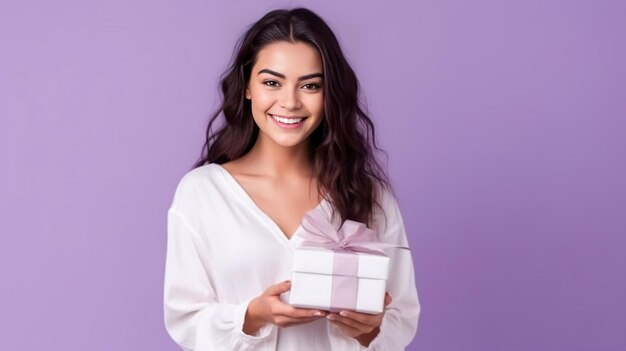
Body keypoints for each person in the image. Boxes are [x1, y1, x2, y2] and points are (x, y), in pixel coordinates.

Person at [164, 7, 420, 350]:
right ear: (247, 86)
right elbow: (185, 318)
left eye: (310, 85)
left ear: (329, 95)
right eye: (272, 82)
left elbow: (401, 319)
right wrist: (254, 315)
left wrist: (367, 331)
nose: (290, 102)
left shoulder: (368, 194)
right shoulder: (202, 193)